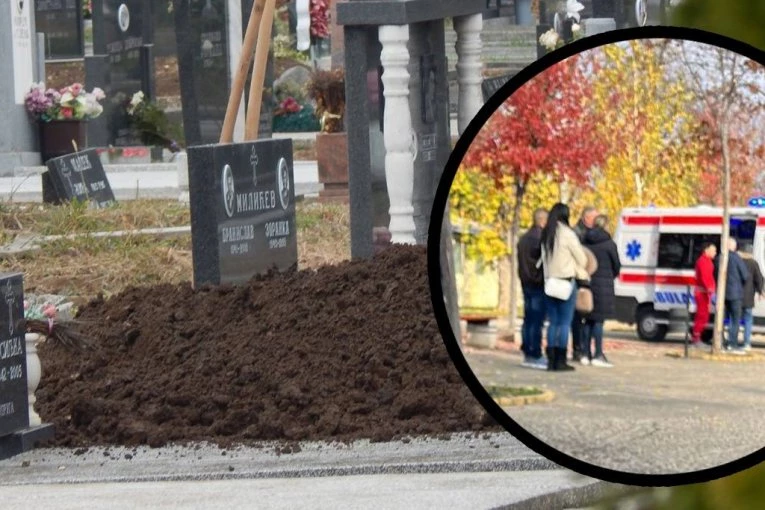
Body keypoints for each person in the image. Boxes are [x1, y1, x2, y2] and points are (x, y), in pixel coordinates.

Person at [540, 203, 590, 372]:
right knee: (564, 323)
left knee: (552, 323)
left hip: (549, 283)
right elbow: (582, 259)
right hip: (566, 282)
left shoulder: (546, 233)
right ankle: (560, 359)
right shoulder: (568, 234)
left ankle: (550, 360)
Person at [581, 215, 621, 368]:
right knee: (598, 321)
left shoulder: (584, 242)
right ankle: (598, 354)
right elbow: (617, 266)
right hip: (604, 286)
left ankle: (585, 353)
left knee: (587, 320)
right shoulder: (609, 244)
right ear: (605, 226)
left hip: (587, 284)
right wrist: (610, 276)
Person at [517, 208, 549, 370]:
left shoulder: (523, 239)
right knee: (536, 321)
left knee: (528, 319)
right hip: (538, 284)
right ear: (543, 221)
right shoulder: (540, 240)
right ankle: (534, 353)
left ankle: (526, 349)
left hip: (525, 283)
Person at [570, 205, 598, 362]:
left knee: (583, 317)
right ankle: (578, 349)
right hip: (580, 279)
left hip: (586, 279)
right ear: (586, 218)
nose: (596, 221)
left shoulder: (588, 233)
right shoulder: (577, 234)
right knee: (577, 318)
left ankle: (582, 349)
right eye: (594, 217)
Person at [715, 238, 750, 352]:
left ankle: (721, 342)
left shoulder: (719, 258)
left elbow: (715, 274)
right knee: (735, 320)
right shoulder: (736, 258)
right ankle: (732, 344)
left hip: (722, 294)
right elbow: (745, 275)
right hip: (735, 294)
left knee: (722, 318)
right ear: (734, 247)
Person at [739, 242, 763, 352]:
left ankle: (731, 342)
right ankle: (746, 343)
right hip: (748, 296)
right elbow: (759, 278)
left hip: (736, 296)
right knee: (748, 320)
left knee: (733, 320)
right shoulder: (753, 263)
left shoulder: (737, 262)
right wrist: (760, 291)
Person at [691, 242, 716, 347]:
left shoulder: (707, 261)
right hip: (702, 293)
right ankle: (696, 338)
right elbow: (705, 278)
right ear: (706, 250)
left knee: (704, 316)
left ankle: (697, 337)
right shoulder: (703, 261)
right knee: (702, 316)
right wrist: (710, 290)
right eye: (713, 250)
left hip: (705, 293)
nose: (715, 252)